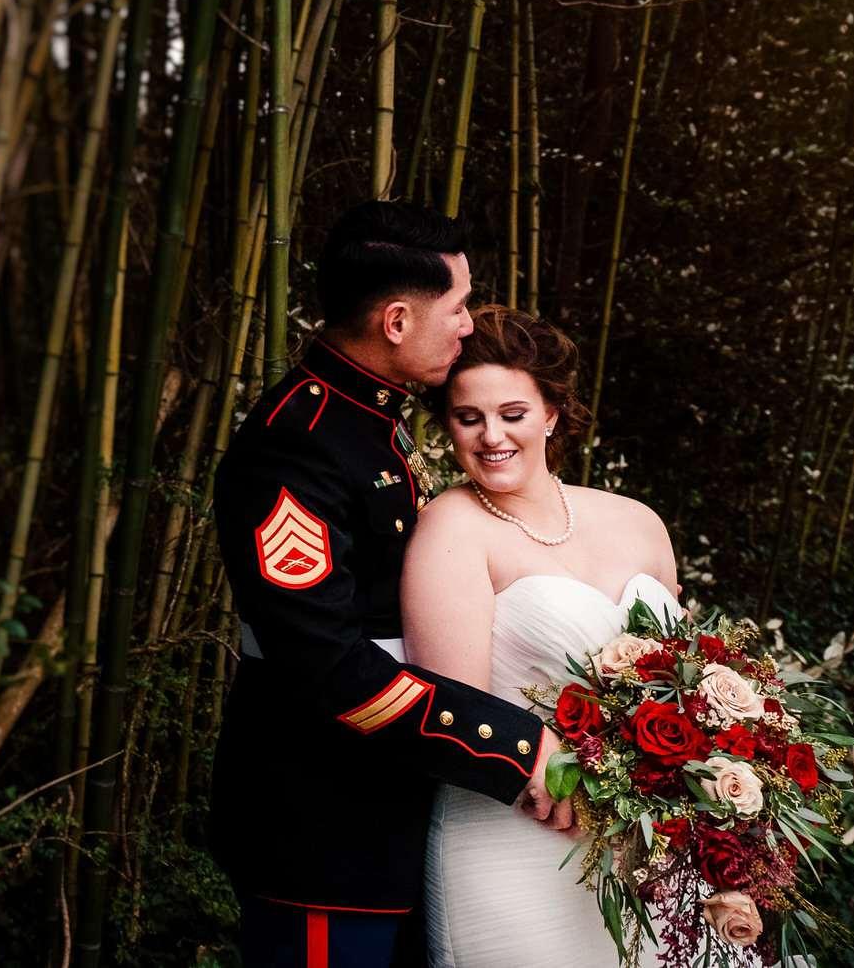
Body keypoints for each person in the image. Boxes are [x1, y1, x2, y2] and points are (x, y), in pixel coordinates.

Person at [211, 203, 571, 968]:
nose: (471, 326)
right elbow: (330, 666)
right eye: (460, 306)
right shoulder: (294, 446)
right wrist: (515, 743)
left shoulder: (372, 421)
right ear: (399, 320)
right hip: (322, 824)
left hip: (396, 808)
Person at [403, 306, 685, 967]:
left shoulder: (639, 522)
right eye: (469, 417)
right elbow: (456, 711)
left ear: (552, 412)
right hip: (518, 838)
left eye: (512, 413)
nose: (491, 435)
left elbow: (686, 682)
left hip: (653, 843)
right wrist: (572, 779)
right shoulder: (451, 527)